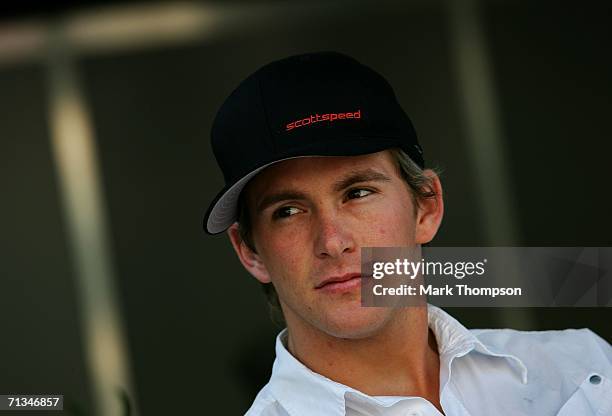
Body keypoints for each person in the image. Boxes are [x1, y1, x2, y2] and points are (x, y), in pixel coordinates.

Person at [204, 52, 611, 416]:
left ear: (427, 207)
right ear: (249, 251)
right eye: (288, 211)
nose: (332, 241)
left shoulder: (583, 368)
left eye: (358, 192)